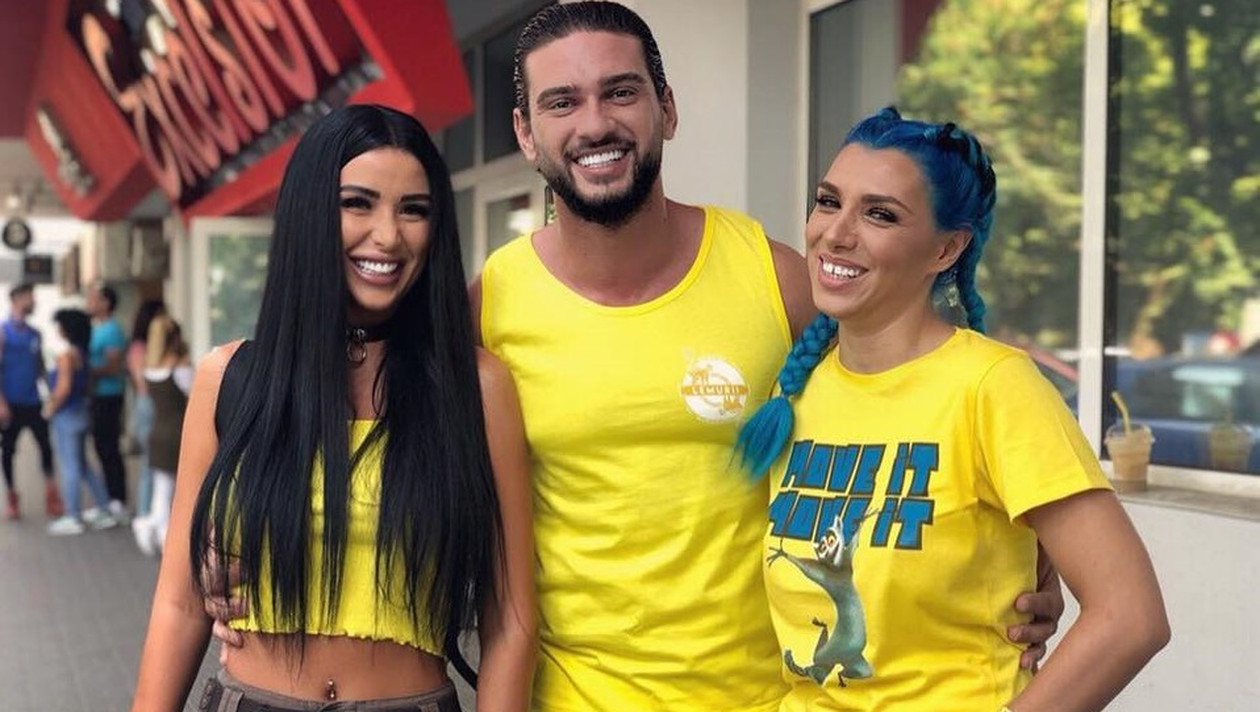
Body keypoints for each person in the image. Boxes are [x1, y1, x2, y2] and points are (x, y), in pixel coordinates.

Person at [209, 4, 1064, 709]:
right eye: (562, 102)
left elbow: (924, 392)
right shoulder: (486, 307)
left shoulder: (774, 277)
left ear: (667, 108)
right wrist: (233, 549)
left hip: (763, 698)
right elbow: (377, 451)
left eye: (620, 92)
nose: (595, 123)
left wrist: (1034, 554)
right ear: (526, 133)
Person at [736, 107, 1169, 712]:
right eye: (828, 202)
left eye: (880, 214)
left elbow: (1131, 616)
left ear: (947, 248)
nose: (835, 233)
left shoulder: (992, 385)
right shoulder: (799, 391)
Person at [130, 104, 536, 712]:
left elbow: (512, 624)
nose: (389, 235)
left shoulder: (475, 388)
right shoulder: (229, 380)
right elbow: (180, 603)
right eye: (357, 203)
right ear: (309, 212)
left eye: (414, 210)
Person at [44, 309, 119, 536]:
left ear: (66, 329)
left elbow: (63, 388)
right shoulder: (82, 354)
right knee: (83, 465)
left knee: (70, 467)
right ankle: (104, 508)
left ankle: (72, 515)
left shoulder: (66, 355)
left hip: (66, 415)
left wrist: (49, 408)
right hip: (81, 412)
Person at [128, 314, 189, 557]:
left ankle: (150, 525)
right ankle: (164, 534)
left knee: (161, 488)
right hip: (177, 432)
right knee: (180, 489)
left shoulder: (150, 367)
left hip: (157, 430)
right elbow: (194, 399)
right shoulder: (180, 366)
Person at [0, 283, 62, 519]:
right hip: (10, 403)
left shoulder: (35, 333)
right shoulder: (3, 333)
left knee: (45, 447)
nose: (34, 301)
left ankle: (51, 493)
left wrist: (51, 394)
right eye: (30, 297)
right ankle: (12, 497)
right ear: (16, 299)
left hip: (33, 402)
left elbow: (40, 368)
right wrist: (1, 403)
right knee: (8, 451)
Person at [85, 282, 129, 518]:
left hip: (109, 396)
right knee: (101, 447)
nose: (89, 302)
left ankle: (118, 500)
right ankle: (109, 498)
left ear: (106, 303)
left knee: (109, 447)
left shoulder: (111, 330)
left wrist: (85, 371)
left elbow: (112, 365)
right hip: (97, 396)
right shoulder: (96, 327)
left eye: (94, 298)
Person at [127, 299, 166, 524]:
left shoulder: (147, 346)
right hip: (149, 404)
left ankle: (149, 513)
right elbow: (143, 382)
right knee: (149, 463)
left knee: (155, 464)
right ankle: (143, 514)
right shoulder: (139, 347)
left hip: (151, 404)